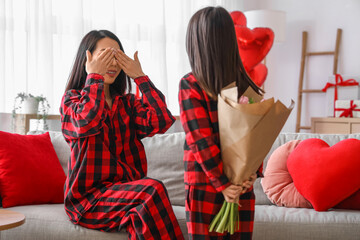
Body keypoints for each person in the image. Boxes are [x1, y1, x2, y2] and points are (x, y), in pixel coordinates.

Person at [60, 30, 184, 240]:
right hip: (89, 201)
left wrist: (140, 77)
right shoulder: (71, 101)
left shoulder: (128, 104)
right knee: (151, 190)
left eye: (117, 56)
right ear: (87, 59)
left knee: (142, 213)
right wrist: (94, 77)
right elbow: (85, 122)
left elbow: (162, 120)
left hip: (129, 194)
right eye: (105, 55)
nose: (113, 62)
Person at [179, 7, 264, 240]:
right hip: (229, 182)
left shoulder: (190, 84)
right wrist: (243, 176)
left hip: (211, 182)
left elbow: (200, 141)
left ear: (196, 43)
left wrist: (246, 177)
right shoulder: (245, 84)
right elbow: (256, 138)